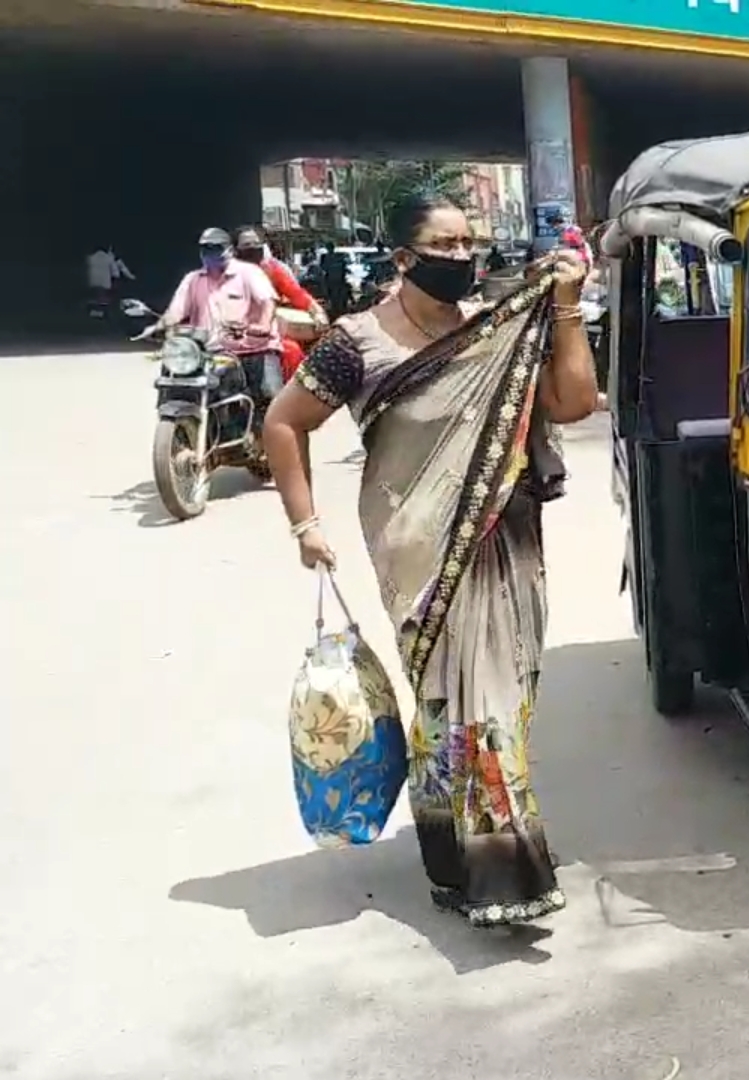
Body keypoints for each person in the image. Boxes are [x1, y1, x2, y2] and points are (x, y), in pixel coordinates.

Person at [261, 193, 599, 929]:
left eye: (470, 241)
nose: (463, 255)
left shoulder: (496, 330)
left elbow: (574, 403)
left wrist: (566, 307)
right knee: (476, 708)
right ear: (404, 257)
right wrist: (305, 524)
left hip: (507, 541)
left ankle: (448, 849)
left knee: (471, 706)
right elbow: (283, 424)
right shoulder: (356, 342)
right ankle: (502, 870)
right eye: (444, 244)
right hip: (419, 548)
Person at [156, 228, 282, 388]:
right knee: (172, 374)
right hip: (209, 352)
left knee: (270, 395)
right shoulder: (192, 279)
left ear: (230, 250)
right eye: (206, 249)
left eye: (216, 248)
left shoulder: (249, 273)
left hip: (253, 350)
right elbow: (176, 311)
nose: (210, 253)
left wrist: (263, 325)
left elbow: (267, 301)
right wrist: (162, 326)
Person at [235, 226, 325, 382]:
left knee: (292, 351)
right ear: (235, 250)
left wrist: (318, 312)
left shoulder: (272, 270)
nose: (252, 248)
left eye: (255, 244)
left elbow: (298, 295)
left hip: (268, 336)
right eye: (246, 245)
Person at [86, 244, 135, 311]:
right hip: (112, 279)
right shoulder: (111, 259)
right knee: (108, 294)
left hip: (109, 279)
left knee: (105, 294)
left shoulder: (106, 258)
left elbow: (123, 269)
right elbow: (122, 269)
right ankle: (104, 306)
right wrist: (131, 277)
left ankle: (103, 306)